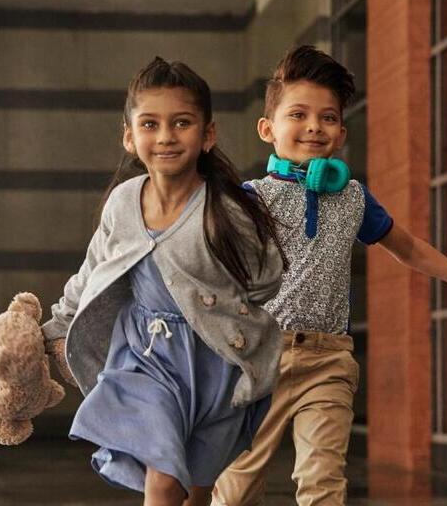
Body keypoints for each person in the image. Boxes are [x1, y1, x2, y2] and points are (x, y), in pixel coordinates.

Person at [212, 45, 447, 506]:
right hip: (258, 359)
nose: (314, 126)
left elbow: (411, 249)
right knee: (234, 492)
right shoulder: (247, 200)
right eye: (298, 114)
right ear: (268, 128)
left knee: (323, 485)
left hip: (328, 361)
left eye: (329, 117)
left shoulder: (354, 198)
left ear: (341, 133)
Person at [42, 57, 286, 506]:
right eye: (150, 124)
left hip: (211, 362)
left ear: (207, 134)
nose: (166, 136)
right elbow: (95, 267)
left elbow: (267, 275)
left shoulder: (224, 212)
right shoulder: (122, 203)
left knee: (194, 489)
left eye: (182, 123)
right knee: (162, 478)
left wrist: (224, 312)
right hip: (144, 357)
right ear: (130, 136)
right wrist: (56, 326)